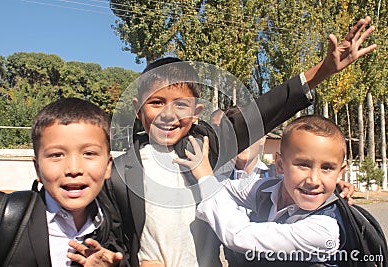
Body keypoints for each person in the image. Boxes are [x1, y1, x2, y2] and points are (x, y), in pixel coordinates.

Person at [111, 16, 375, 267]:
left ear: (196, 112)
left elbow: (261, 112)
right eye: (156, 103)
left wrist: (322, 71)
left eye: (180, 105)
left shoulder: (207, 147)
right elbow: (111, 241)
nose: (168, 114)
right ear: (137, 109)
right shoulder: (118, 172)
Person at [175, 115, 348, 266]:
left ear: (340, 172)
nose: (314, 180)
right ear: (280, 164)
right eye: (303, 165)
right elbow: (225, 188)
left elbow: (239, 236)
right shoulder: (267, 190)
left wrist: (205, 177)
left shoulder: (324, 230)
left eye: (327, 168)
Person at [0, 98, 129, 267]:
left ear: (108, 166)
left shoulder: (117, 224)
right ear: (37, 167)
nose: (74, 168)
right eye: (57, 155)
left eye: (89, 153)